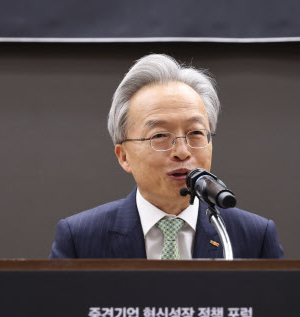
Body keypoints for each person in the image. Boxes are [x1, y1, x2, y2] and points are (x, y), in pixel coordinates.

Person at [50, 54, 283, 259]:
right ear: (124, 157)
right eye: (160, 135)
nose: (182, 152)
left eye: (196, 133)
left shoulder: (254, 236)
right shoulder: (80, 238)